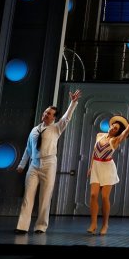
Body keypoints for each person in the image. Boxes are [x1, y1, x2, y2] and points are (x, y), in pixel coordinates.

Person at [14, 89, 83, 234]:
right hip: (34, 165)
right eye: (45, 112)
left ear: (53, 118)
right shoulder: (34, 130)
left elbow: (66, 118)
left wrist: (73, 102)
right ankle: (22, 226)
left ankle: (40, 226)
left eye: (49, 114)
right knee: (28, 196)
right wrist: (21, 165)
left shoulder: (56, 128)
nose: (46, 114)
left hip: (49, 163)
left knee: (45, 196)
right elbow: (28, 149)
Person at [87, 104, 129, 235]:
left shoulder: (115, 140)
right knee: (93, 195)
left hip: (108, 168)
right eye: (113, 126)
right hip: (96, 166)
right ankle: (93, 223)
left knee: (104, 197)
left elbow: (127, 130)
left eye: (117, 128)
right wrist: (90, 166)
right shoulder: (99, 135)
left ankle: (105, 224)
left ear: (117, 132)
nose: (114, 128)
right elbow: (94, 152)